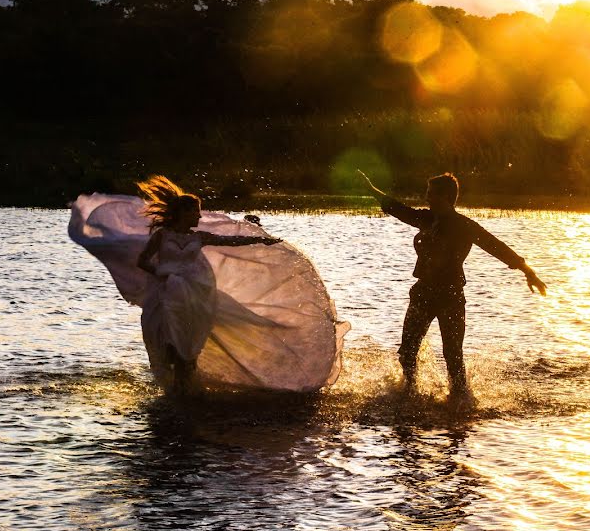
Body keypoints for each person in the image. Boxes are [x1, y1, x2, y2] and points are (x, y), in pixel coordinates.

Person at [68, 176, 349, 395]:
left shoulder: (198, 237)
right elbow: (143, 261)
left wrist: (261, 241)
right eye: (195, 213)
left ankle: (188, 391)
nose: (199, 218)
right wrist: (163, 273)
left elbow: (230, 242)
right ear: (182, 214)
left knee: (190, 349)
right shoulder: (162, 236)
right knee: (170, 345)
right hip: (167, 296)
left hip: (196, 296)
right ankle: (180, 393)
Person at [360, 170, 547, 408]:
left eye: (431, 195)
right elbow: (398, 210)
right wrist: (371, 189)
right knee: (407, 352)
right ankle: (409, 394)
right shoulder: (427, 219)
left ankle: (460, 401)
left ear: (447, 198)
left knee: (453, 355)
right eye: (427, 194)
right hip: (423, 294)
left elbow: (496, 247)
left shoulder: (465, 226)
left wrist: (527, 271)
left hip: (451, 297)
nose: (426, 199)